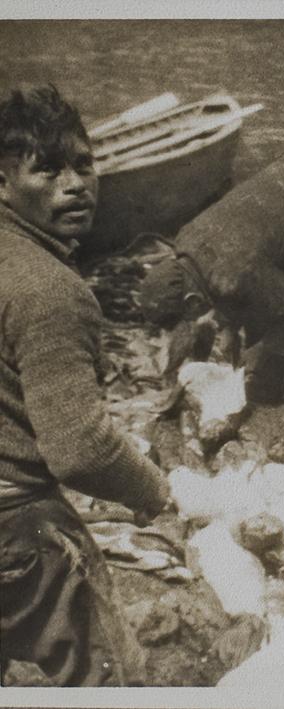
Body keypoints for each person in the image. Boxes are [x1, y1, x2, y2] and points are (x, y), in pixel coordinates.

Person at [0, 85, 168, 686]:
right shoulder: (49, 289)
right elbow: (82, 449)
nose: (74, 184)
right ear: (3, 183)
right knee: (110, 676)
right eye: (47, 170)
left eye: (84, 165)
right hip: (17, 529)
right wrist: (154, 493)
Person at [139, 149, 284, 434]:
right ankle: (276, 388)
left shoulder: (234, 275)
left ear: (191, 301)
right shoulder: (186, 240)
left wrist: (258, 354)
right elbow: (248, 304)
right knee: (269, 304)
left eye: (189, 317)